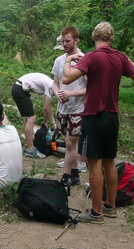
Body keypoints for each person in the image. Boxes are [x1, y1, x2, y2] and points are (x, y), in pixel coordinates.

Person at [62, 22, 134, 224]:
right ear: (112, 38)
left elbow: (66, 79)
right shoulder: (120, 57)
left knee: (93, 163)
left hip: (93, 115)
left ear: (93, 37)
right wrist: (124, 58)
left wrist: (69, 60)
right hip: (111, 117)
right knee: (109, 162)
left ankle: (96, 212)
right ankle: (110, 207)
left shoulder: (91, 57)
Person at [51, 27, 87, 186]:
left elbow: (91, 88)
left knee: (69, 144)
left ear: (76, 40)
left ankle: (66, 177)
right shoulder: (59, 60)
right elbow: (55, 83)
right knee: (70, 144)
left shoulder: (85, 60)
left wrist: (71, 94)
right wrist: (58, 93)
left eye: (68, 41)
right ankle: (75, 174)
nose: (64, 44)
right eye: (63, 41)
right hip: (62, 109)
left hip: (78, 109)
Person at [11, 72, 55, 158]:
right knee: (31, 118)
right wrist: (45, 121)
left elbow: (48, 106)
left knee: (29, 117)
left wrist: (53, 123)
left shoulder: (51, 83)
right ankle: (31, 149)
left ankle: (28, 143)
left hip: (19, 88)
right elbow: (46, 108)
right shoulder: (51, 86)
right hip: (20, 90)